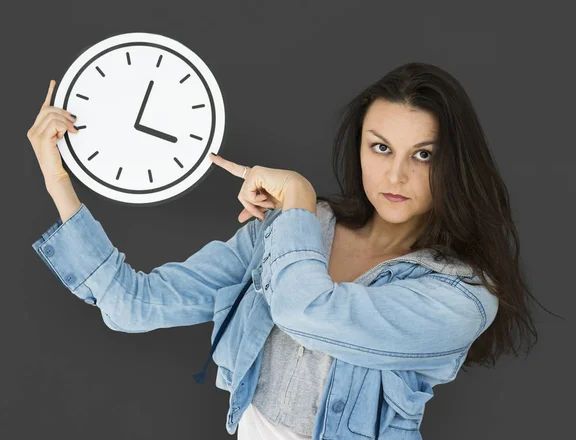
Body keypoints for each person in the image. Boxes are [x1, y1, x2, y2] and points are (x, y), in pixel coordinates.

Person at [27, 62, 541, 440]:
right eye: (380, 147)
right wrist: (57, 177)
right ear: (359, 146)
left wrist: (296, 198)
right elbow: (131, 304)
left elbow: (305, 310)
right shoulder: (296, 229)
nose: (396, 175)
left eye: (423, 155)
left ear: (455, 164)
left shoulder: (462, 296)